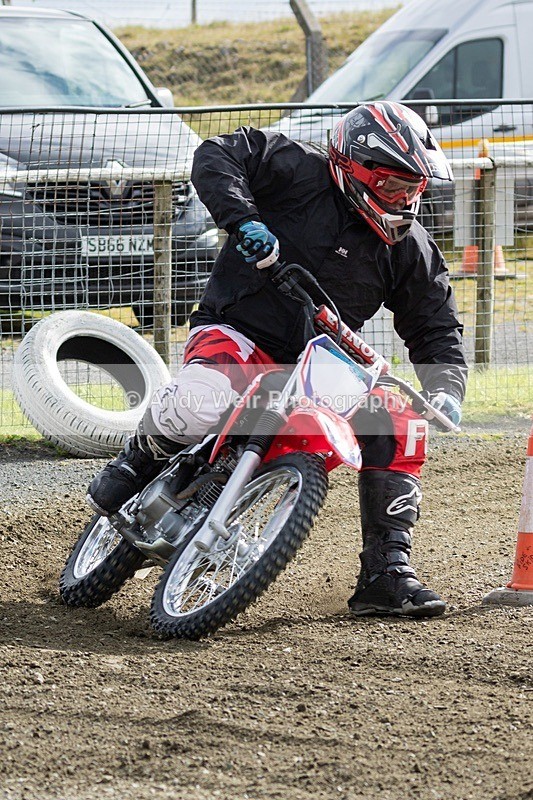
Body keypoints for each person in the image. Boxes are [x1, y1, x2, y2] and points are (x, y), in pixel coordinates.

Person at [88, 101, 467, 618]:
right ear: (354, 166)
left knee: (402, 424)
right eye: (392, 186)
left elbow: (436, 325)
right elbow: (217, 153)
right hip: (238, 329)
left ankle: (386, 573)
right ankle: (140, 458)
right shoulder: (295, 167)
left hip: (323, 361)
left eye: (413, 188)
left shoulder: (411, 247)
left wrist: (446, 388)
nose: (404, 200)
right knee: (202, 399)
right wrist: (243, 220)